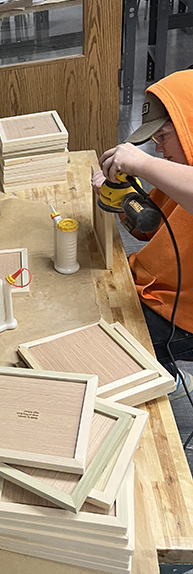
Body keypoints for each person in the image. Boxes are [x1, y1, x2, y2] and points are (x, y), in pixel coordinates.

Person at [95, 69, 193, 371]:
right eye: (154, 141)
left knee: (103, 347)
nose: (159, 150)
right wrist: (122, 200)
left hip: (181, 315)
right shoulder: (181, 171)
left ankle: (165, 377)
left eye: (163, 137)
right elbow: (151, 228)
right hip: (152, 285)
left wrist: (144, 163)